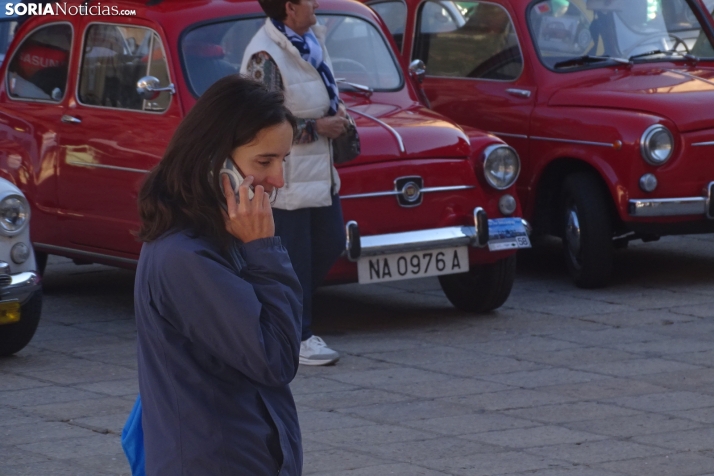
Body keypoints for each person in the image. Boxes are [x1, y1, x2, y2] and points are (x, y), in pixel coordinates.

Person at [133, 75, 303, 475]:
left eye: (284, 160)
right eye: (264, 161)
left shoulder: (220, 238)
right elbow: (275, 359)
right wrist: (265, 251)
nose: (279, 180)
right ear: (216, 160)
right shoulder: (186, 257)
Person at [241, 0, 349, 366]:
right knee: (296, 260)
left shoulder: (312, 39)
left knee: (332, 242)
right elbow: (259, 123)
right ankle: (297, 336)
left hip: (320, 172)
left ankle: (282, 320)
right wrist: (316, 128)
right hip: (287, 179)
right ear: (289, 7)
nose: (316, 3)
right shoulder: (264, 54)